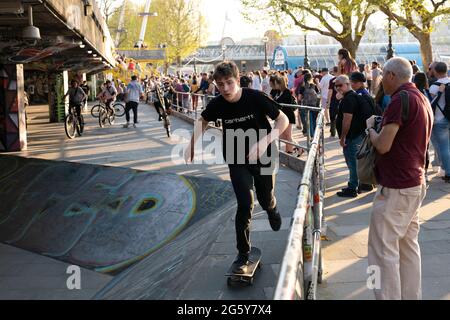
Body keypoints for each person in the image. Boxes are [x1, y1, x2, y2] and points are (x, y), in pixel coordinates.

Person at [184, 61, 289, 274]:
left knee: (264, 197)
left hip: (264, 155)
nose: (225, 89)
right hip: (236, 157)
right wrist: (191, 144)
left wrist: (265, 141)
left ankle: (271, 206)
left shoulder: (255, 97)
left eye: (229, 83)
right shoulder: (218, 103)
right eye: (220, 84)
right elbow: (203, 121)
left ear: (238, 80)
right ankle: (243, 253)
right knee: (245, 204)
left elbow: (283, 120)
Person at [366, 57, 433, 300]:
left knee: (381, 251)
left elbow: (383, 145)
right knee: (408, 248)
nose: (381, 80)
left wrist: (371, 130)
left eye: (383, 75)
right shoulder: (421, 97)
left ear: (392, 75)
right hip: (415, 182)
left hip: (396, 186)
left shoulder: (398, 100)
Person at [335, 75, 366, 198]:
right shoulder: (351, 96)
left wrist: (343, 137)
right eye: (336, 86)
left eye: (340, 85)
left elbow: (347, 120)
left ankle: (352, 187)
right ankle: (356, 185)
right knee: (353, 162)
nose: (338, 88)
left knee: (352, 162)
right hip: (356, 134)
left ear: (348, 84)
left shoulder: (349, 99)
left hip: (352, 136)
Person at [429, 62, 450, 182]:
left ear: (436, 72)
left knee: (444, 147)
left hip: (440, 120)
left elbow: (432, 103)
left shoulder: (434, 86)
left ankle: (448, 172)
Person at [272, 74, 297, 154]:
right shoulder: (278, 92)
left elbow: (287, 104)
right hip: (282, 116)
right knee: (282, 136)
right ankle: (297, 147)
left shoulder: (287, 92)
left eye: (277, 83)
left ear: (280, 83)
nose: (275, 85)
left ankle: (289, 151)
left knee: (287, 135)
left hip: (288, 116)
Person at [298, 73, 319, 137]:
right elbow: (318, 95)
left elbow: (299, 98)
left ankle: (311, 136)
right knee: (314, 120)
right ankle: (315, 135)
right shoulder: (314, 86)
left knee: (309, 121)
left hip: (306, 106)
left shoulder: (302, 87)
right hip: (315, 105)